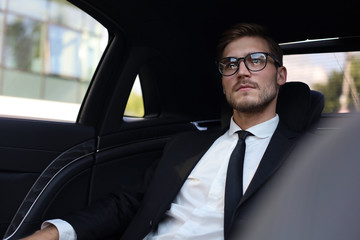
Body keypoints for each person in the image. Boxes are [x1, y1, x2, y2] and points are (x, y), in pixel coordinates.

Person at [23, 23, 295, 240]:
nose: (242, 72)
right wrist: (54, 233)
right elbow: (125, 204)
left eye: (256, 60)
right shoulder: (185, 146)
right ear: (223, 81)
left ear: (280, 75)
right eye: (230, 64)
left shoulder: (305, 156)